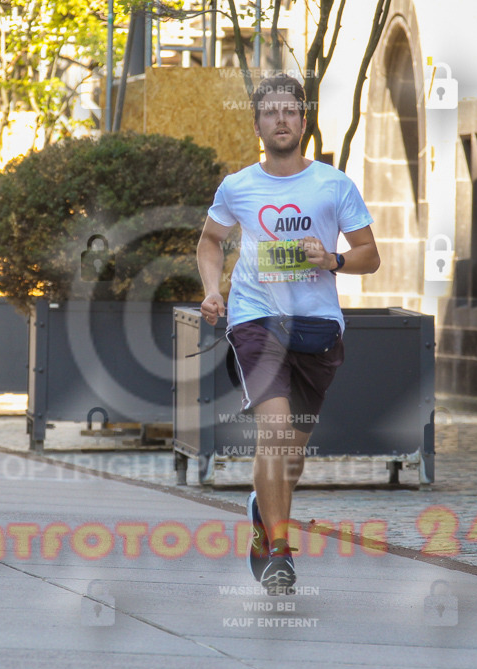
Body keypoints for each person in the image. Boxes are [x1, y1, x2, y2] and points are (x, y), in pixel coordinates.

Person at [196, 74, 380, 594]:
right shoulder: (237, 187)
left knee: (290, 458)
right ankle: (278, 551)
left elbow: (370, 255)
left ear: (303, 120)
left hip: (317, 329)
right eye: (270, 112)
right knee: (274, 432)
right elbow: (210, 241)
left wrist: (333, 259)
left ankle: (264, 509)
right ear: (257, 125)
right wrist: (212, 291)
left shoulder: (333, 185)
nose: (281, 119)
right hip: (255, 320)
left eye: (290, 111)